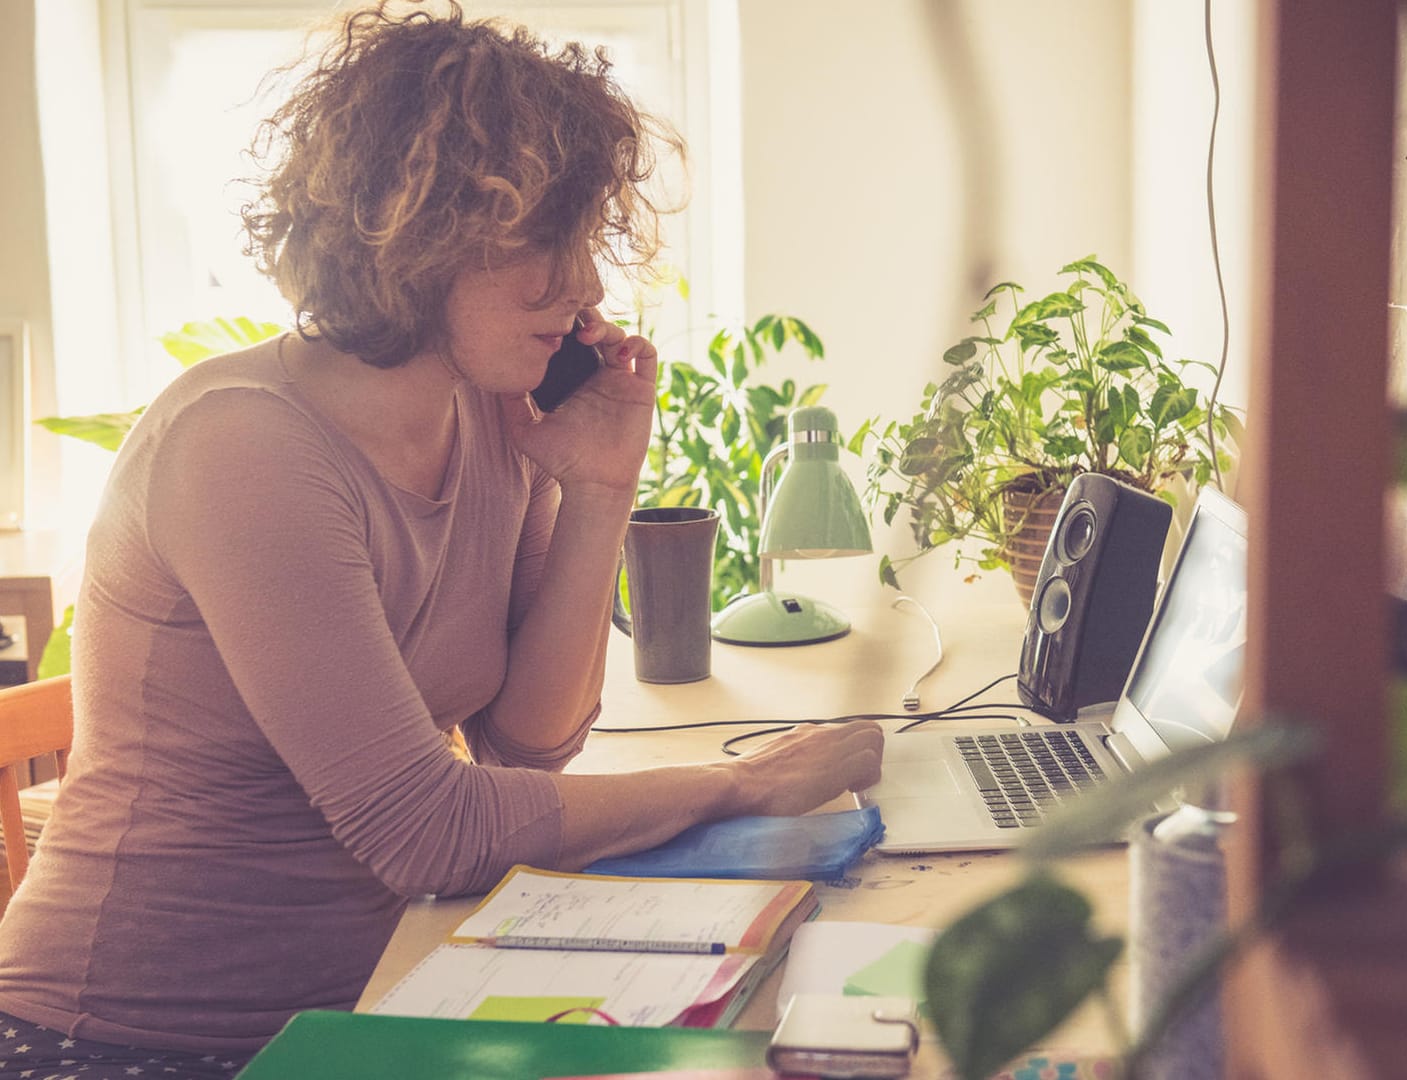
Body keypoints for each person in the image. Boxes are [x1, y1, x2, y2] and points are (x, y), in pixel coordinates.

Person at [0, 4, 882, 1077]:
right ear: (412, 237)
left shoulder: (486, 414)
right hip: (128, 1041)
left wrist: (599, 490)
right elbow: (428, 827)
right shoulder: (242, 448)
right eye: (541, 244)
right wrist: (738, 784)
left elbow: (529, 741)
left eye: (586, 240)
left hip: (375, 999)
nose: (587, 287)